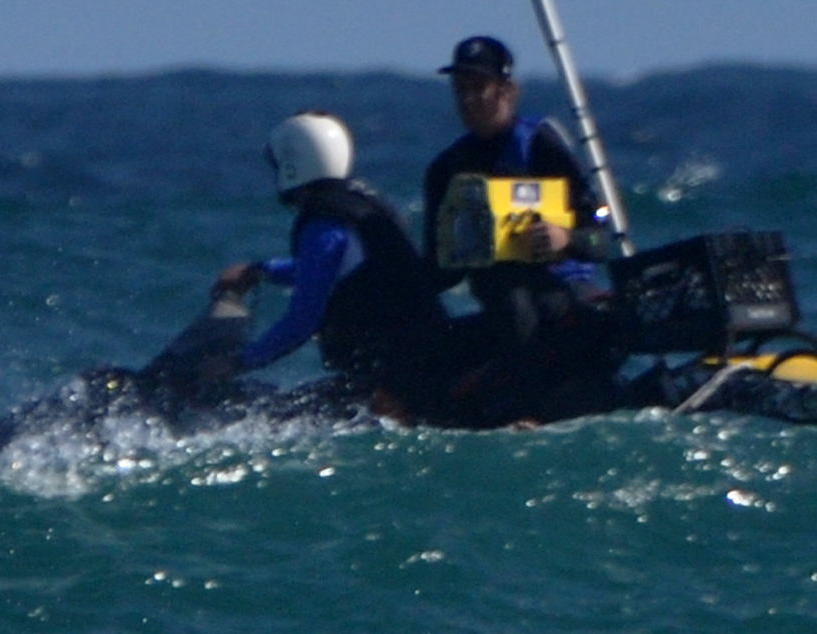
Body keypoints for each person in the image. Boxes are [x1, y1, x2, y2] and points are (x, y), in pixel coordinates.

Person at [421, 35, 620, 425]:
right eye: (461, 89)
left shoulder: (541, 145)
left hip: (562, 293)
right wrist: (459, 249)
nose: (469, 100)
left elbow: (600, 235)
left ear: (507, 90)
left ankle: (533, 408)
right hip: (500, 305)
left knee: (522, 299)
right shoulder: (447, 169)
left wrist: (566, 239)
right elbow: (436, 273)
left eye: (479, 88)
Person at [207, 112, 450, 418]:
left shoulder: (323, 225)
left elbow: (302, 322)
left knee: (263, 416)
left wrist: (238, 362)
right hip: (425, 361)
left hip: (391, 381)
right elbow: (327, 271)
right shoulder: (366, 205)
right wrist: (261, 271)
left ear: (292, 166)